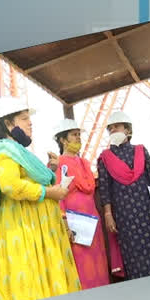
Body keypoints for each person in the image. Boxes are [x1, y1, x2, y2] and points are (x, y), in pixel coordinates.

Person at [0, 97, 80, 300]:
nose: (30, 123)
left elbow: (27, 180)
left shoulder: (17, 151)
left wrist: (49, 171)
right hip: (21, 228)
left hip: (35, 228)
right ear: (8, 124)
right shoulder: (4, 151)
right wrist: (49, 191)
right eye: (24, 119)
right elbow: (11, 186)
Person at [96, 111, 150, 279]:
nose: (113, 131)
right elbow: (104, 189)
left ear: (128, 130)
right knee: (133, 253)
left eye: (116, 127)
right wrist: (108, 215)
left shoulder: (141, 150)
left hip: (148, 209)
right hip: (124, 214)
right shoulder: (104, 158)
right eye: (110, 129)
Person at [51, 119, 110, 290]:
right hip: (75, 223)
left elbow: (90, 187)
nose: (78, 138)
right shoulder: (59, 163)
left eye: (79, 135)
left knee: (99, 261)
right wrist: (64, 222)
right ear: (63, 140)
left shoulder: (84, 163)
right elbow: (58, 193)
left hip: (92, 220)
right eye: (74, 135)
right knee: (81, 264)